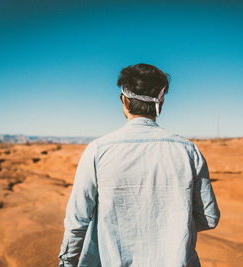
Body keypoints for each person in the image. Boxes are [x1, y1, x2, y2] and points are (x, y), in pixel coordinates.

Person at [58, 63, 220, 267]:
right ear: (161, 102)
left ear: (124, 101)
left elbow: (77, 220)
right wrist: (171, 228)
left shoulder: (98, 150)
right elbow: (209, 217)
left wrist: (67, 262)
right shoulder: (188, 151)